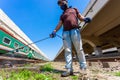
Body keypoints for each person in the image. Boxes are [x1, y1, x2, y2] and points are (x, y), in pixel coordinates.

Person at [50, 0, 91, 77]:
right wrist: (54, 31)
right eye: (60, 5)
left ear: (66, 1)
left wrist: (85, 19)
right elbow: (59, 24)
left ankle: (83, 68)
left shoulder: (74, 9)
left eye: (62, 3)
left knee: (79, 49)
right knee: (67, 51)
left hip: (75, 30)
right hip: (65, 33)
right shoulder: (62, 15)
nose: (61, 6)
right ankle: (69, 70)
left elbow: (80, 17)